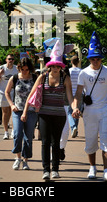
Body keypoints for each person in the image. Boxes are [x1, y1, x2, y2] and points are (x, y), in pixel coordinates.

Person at [25, 40, 74, 180]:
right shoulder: (43, 77)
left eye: (58, 66)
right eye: (53, 66)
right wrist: (24, 111)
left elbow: (70, 97)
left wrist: (75, 107)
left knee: (56, 142)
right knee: (45, 142)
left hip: (59, 114)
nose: (56, 69)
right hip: (44, 114)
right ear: (50, 65)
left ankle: (55, 170)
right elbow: (32, 94)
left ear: (61, 67)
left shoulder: (65, 78)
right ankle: (46, 170)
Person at [72, 31, 107, 182]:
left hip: (104, 110)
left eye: (98, 58)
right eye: (92, 58)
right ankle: (92, 167)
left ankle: (106, 170)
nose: (95, 61)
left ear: (101, 58)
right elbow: (78, 92)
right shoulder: (83, 73)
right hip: (90, 111)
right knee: (90, 140)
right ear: (89, 58)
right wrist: (76, 107)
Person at [5, 57, 37, 171]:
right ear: (19, 68)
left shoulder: (34, 78)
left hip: (31, 112)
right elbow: (7, 92)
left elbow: (40, 92)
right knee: (17, 134)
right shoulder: (14, 78)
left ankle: (26, 161)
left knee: (28, 137)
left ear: (30, 69)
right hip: (17, 111)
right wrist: (11, 105)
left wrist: (38, 106)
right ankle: (17, 158)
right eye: (22, 69)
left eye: (26, 69)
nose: (24, 71)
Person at [0, 54, 18, 140]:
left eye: (12, 59)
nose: (11, 60)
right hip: (3, 93)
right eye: (9, 59)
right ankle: (6, 132)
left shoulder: (16, 69)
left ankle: (14, 131)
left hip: (13, 93)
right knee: (5, 112)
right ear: (6, 60)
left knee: (14, 112)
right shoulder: (1, 68)